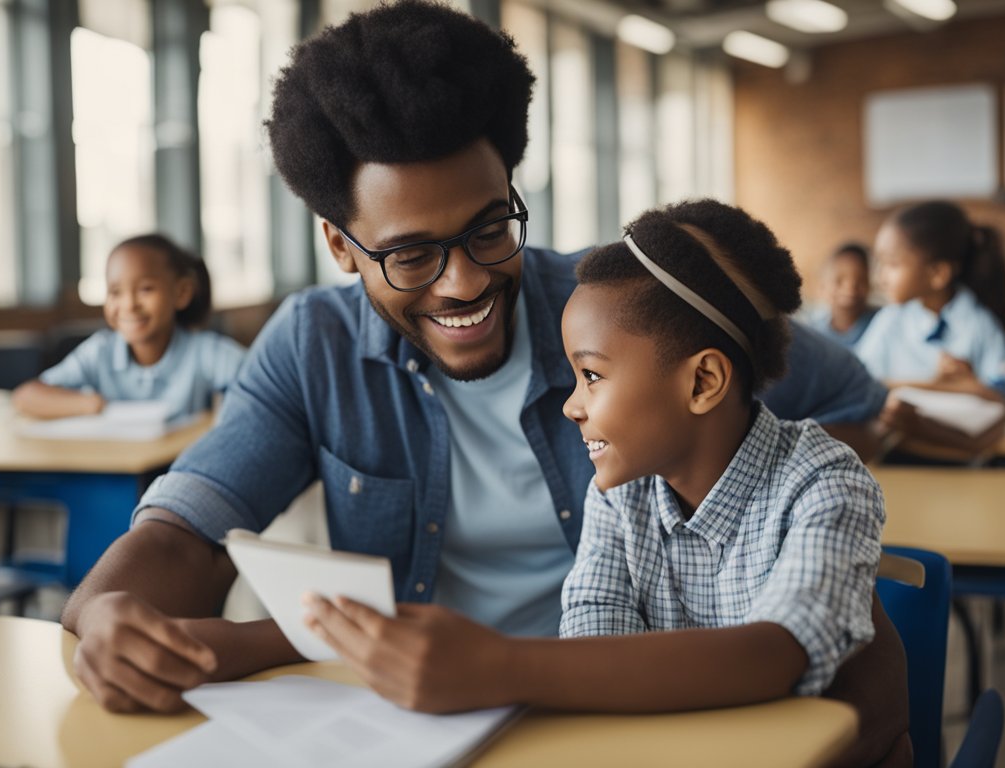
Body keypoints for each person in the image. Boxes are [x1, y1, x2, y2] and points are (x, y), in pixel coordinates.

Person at [61, 4, 908, 764]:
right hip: (439, 721)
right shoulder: (311, 345)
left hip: (625, 709)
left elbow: (844, 397)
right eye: (411, 253)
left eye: (488, 227)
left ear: (511, 192)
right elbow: (186, 532)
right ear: (341, 245)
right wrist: (106, 613)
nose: (464, 282)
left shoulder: (622, 312)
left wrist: (792, 501)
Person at [305, 201, 892, 757]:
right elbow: (594, 643)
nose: (571, 406)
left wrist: (501, 665)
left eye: (590, 376)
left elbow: (777, 654)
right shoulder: (620, 497)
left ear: (702, 382)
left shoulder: (824, 483)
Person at [12, 233, 245, 420]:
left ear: (181, 293)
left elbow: (262, 385)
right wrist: (90, 404)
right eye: (115, 292)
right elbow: (26, 397)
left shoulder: (204, 351)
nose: (129, 305)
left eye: (145, 289)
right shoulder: (99, 352)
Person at [855, 201, 1005, 405]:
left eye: (892, 264)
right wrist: (950, 387)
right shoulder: (891, 319)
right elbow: (858, 382)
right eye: (879, 262)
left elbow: (1002, 396)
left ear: (937, 274)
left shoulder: (979, 324)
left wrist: (968, 382)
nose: (880, 277)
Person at [808, 243, 878, 347]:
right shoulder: (814, 333)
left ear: (870, 285)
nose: (850, 288)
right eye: (839, 281)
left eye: (860, 280)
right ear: (822, 286)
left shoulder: (880, 323)